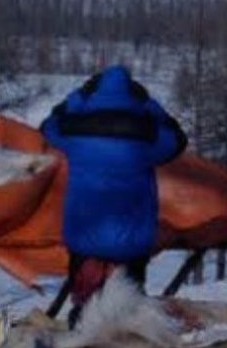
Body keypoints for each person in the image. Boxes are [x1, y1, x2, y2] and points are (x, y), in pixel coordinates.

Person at [40, 65, 187, 315]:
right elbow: (177, 138)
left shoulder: (74, 129)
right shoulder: (148, 134)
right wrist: (148, 103)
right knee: (130, 311)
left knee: (85, 308)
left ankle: (81, 343)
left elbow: (49, 124)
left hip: (84, 238)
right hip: (132, 243)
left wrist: (80, 96)